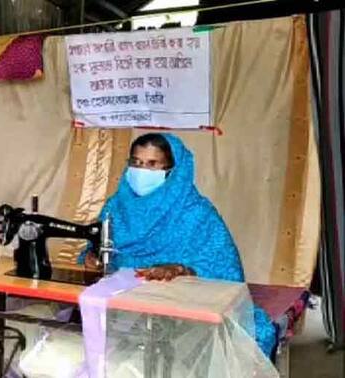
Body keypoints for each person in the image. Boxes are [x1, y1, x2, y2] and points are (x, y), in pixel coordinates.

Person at [78, 133, 276, 357]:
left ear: (173, 170)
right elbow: (101, 247)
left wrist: (180, 270)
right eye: (136, 162)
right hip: (123, 304)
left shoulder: (197, 213)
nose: (142, 171)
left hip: (182, 312)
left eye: (153, 164)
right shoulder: (116, 206)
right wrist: (91, 256)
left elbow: (222, 269)